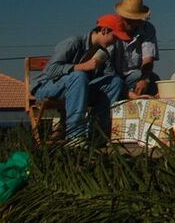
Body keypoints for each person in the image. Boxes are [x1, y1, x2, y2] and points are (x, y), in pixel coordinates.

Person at [31, 14, 129, 143]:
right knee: (79, 76)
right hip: (48, 87)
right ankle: (76, 136)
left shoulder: (103, 53)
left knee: (115, 82)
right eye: (115, 37)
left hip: (79, 89)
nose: (115, 42)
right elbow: (50, 70)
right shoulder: (73, 43)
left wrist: (129, 93)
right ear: (104, 31)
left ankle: (97, 134)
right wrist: (82, 67)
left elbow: (110, 76)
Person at [112, 0, 160, 98]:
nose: (131, 24)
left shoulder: (147, 29)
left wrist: (144, 78)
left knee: (153, 80)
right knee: (115, 83)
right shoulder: (111, 29)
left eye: (135, 20)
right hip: (113, 77)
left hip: (135, 76)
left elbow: (148, 59)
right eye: (128, 20)